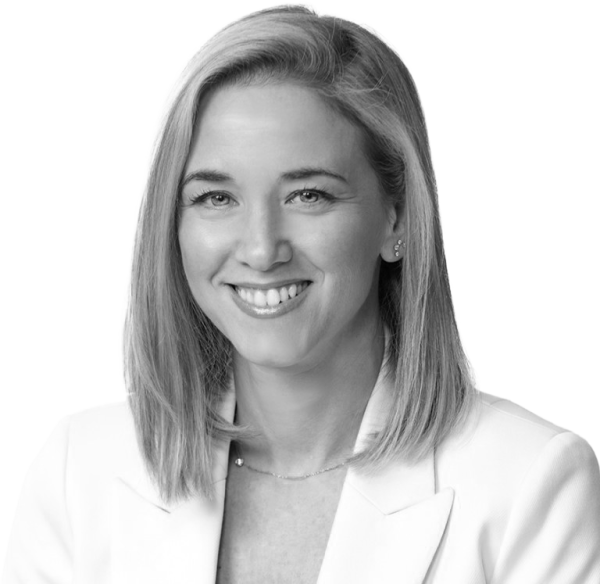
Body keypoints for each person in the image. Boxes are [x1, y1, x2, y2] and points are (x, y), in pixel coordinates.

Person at [3, 3, 599, 583]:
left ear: (397, 219)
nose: (262, 250)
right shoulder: (79, 472)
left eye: (308, 195)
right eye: (216, 197)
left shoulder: (529, 483)